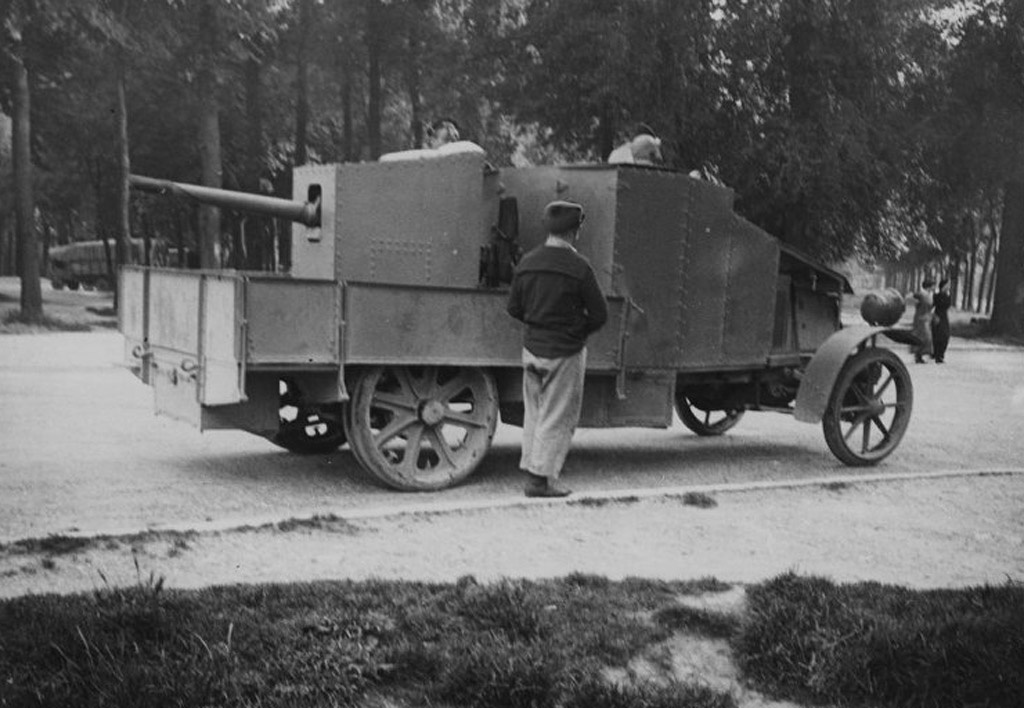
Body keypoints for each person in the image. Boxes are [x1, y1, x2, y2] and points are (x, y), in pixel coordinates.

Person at [506, 201, 608, 498]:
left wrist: (537, 324)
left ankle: (532, 469)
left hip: (532, 348)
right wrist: (576, 333)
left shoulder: (527, 263)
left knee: (534, 412)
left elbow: (514, 308)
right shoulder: (579, 267)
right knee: (558, 416)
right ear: (574, 232)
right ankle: (540, 481)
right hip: (565, 351)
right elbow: (599, 314)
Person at [910, 278, 935, 363]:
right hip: (920, 318)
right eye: (933, 286)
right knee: (922, 337)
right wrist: (916, 303)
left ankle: (920, 354)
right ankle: (918, 355)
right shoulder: (921, 294)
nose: (934, 287)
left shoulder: (929, 295)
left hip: (926, 318)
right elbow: (910, 298)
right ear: (929, 286)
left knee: (927, 338)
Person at [932, 278, 952, 363]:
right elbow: (932, 305)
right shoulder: (936, 296)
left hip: (944, 316)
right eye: (948, 284)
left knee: (945, 335)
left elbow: (947, 305)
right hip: (938, 315)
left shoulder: (948, 295)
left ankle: (940, 354)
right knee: (937, 336)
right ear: (943, 286)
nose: (949, 286)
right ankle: (937, 355)